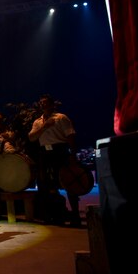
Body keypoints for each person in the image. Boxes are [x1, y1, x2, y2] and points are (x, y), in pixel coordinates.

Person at [28, 94, 82, 227]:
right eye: (41, 103)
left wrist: (73, 155)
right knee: (47, 185)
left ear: (52, 105)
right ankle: (55, 215)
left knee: (68, 182)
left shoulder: (61, 118)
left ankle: (75, 215)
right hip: (45, 154)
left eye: (45, 103)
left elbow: (70, 136)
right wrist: (44, 127)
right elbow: (31, 138)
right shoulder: (38, 122)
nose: (43, 105)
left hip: (60, 151)